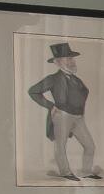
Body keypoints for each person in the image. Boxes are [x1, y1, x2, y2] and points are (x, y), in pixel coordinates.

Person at [26, 40, 99, 181]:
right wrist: (50, 106)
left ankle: (86, 171)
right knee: (60, 145)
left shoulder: (76, 80)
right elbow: (33, 91)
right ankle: (65, 172)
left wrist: (79, 110)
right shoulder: (53, 79)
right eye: (68, 59)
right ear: (58, 62)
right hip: (62, 116)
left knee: (90, 145)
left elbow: (84, 93)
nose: (72, 62)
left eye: (72, 59)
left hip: (78, 117)